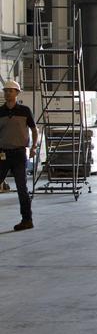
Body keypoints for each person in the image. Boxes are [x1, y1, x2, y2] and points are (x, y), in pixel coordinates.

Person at [0, 79, 38, 231]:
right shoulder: (0, 112)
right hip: (2, 153)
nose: (7, 93)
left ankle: (27, 220)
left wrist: (34, 147)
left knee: (22, 188)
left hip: (19, 154)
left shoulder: (25, 111)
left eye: (10, 90)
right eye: (5, 90)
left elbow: (34, 130)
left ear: (17, 93)